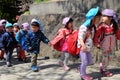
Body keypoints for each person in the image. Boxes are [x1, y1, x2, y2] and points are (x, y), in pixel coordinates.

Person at [78, 7, 101, 80]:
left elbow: (92, 38)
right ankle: (83, 75)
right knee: (84, 62)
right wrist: (83, 46)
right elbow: (80, 37)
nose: (99, 20)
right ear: (93, 18)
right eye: (98, 18)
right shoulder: (84, 27)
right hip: (83, 48)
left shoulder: (93, 27)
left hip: (88, 48)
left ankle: (80, 68)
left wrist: (96, 44)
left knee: (89, 62)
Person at [93, 9, 118, 77]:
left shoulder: (114, 26)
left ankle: (102, 66)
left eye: (104, 16)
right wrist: (96, 42)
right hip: (104, 44)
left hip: (112, 45)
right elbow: (96, 35)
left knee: (110, 56)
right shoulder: (101, 26)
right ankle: (104, 70)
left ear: (110, 17)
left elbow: (118, 34)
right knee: (105, 57)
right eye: (102, 16)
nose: (102, 17)